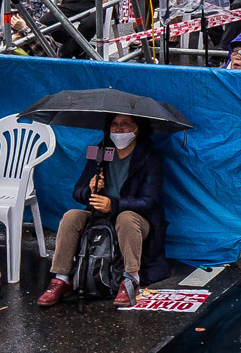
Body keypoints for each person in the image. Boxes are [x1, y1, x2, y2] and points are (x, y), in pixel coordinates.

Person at [36, 114, 170, 308]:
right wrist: (90, 189)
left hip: (137, 220)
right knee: (71, 216)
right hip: (100, 215)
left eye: (126, 124)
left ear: (137, 128)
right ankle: (62, 278)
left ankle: (131, 278)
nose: (119, 129)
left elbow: (149, 201)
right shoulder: (100, 152)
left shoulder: (149, 158)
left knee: (125, 218)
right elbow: (78, 191)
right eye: (114, 124)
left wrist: (113, 204)